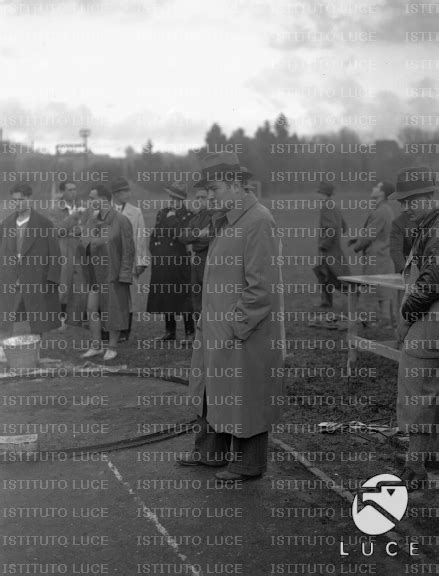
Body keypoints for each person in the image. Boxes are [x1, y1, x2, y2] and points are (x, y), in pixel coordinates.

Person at [177, 151, 284, 485]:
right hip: (216, 328)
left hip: (242, 333)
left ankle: (248, 464)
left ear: (237, 185)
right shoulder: (225, 220)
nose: (211, 197)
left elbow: (261, 286)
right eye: (208, 191)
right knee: (212, 390)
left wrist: (238, 326)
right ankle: (210, 452)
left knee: (245, 397)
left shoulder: (258, 221)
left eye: (217, 189)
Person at [391, 166, 439, 491]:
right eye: (404, 201)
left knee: (419, 389)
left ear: (429, 197)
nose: (407, 206)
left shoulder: (435, 229)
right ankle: (427, 458)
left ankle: (415, 466)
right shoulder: (426, 226)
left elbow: (432, 279)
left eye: (413, 200)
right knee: (429, 391)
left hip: (430, 321)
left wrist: (407, 315)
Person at [75, 184, 135, 361]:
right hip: (94, 273)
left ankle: (113, 346)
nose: (90, 202)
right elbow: (84, 242)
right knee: (91, 309)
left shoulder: (121, 220)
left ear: (103, 199)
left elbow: (129, 250)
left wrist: (124, 275)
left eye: (92, 198)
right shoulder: (92, 221)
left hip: (113, 274)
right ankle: (96, 345)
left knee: (113, 310)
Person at [0, 183, 61, 356]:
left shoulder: (44, 224)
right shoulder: (7, 223)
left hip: (36, 280)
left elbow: (55, 256)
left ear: (29, 199)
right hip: (10, 279)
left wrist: (51, 282)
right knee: (6, 314)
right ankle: (4, 350)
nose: (17, 203)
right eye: (14, 200)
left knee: (36, 317)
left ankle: (34, 351)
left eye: (21, 200)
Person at [147, 180, 195, 342]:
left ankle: (190, 332)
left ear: (182, 200)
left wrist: (173, 219)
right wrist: (156, 252)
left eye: (176, 198)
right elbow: (154, 236)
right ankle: (170, 331)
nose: (173, 201)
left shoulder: (189, 216)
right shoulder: (162, 213)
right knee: (166, 295)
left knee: (184, 297)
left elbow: (183, 236)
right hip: (162, 262)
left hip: (180, 262)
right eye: (171, 197)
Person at [349, 180, 395, 321]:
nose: (374, 188)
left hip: (377, 256)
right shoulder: (385, 209)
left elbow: (369, 236)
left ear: (382, 193)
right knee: (382, 288)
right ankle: (385, 319)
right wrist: (357, 238)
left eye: (377, 187)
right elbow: (377, 232)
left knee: (373, 288)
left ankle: (376, 319)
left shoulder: (381, 211)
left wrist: (357, 246)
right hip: (382, 254)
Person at [110, 177, 148, 341]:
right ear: (116, 194)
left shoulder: (136, 211)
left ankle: (125, 330)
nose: (128, 194)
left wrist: (141, 261)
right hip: (110, 259)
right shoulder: (105, 210)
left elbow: (140, 237)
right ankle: (109, 329)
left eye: (128, 190)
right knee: (111, 295)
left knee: (128, 296)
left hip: (129, 260)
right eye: (124, 191)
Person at [48, 180, 86, 330]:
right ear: (62, 192)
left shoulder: (83, 207)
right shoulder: (54, 210)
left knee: (82, 284)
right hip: (64, 250)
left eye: (75, 189)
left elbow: (87, 227)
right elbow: (57, 230)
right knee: (63, 284)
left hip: (81, 249)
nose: (73, 192)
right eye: (69, 190)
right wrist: (74, 218)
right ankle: (61, 318)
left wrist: (75, 228)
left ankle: (80, 317)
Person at [313, 181, 350, 309]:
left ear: (323, 193)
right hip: (334, 247)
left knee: (334, 276)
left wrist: (324, 245)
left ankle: (351, 296)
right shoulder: (333, 205)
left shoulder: (326, 206)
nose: (317, 195)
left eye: (319, 192)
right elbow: (343, 226)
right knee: (324, 274)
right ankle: (326, 302)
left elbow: (333, 227)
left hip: (329, 249)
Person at [179, 188, 211, 320]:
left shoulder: (214, 217)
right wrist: (198, 234)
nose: (199, 200)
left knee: (208, 297)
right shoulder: (195, 218)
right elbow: (182, 237)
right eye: (197, 198)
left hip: (209, 259)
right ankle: (199, 334)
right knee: (196, 296)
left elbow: (208, 240)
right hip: (196, 260)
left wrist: (194, 239)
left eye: (202, 197)